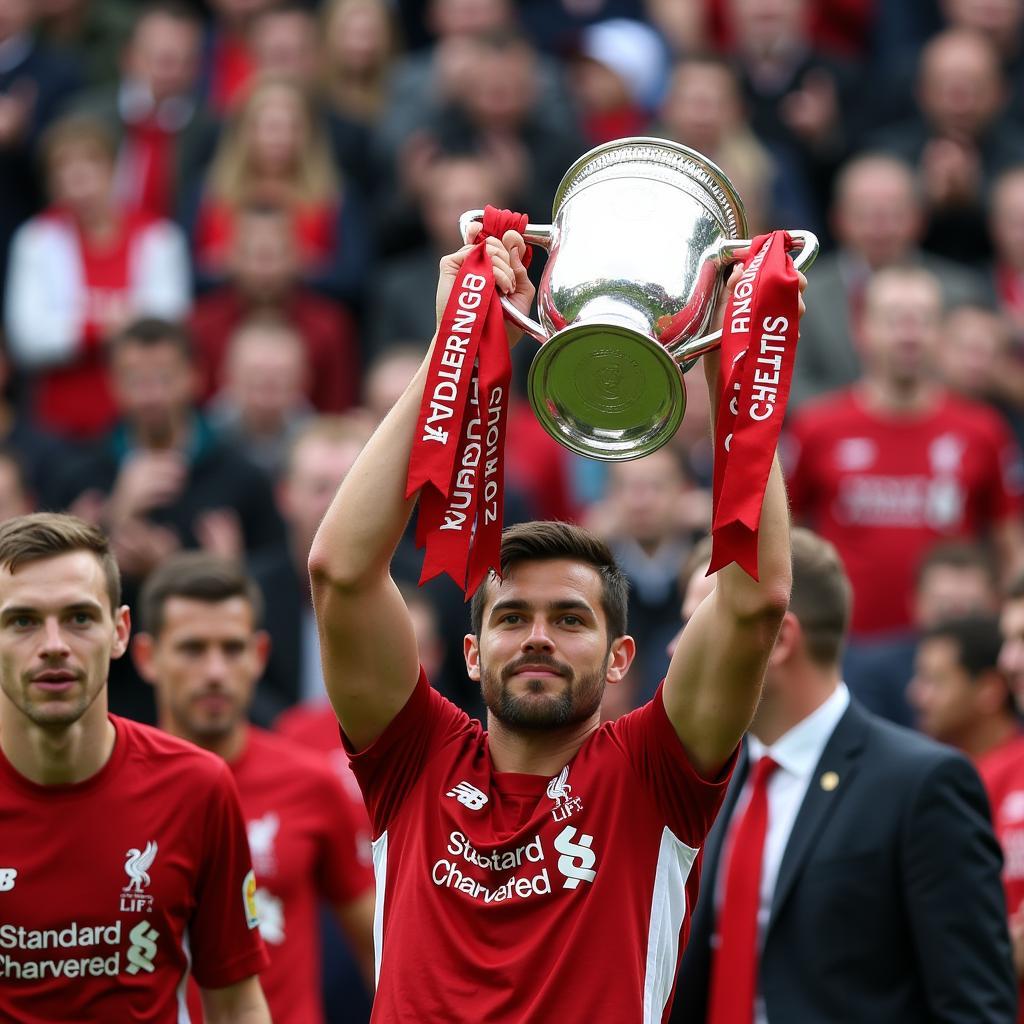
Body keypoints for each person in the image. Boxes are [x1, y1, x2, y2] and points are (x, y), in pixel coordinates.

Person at [307, 224, 798, 1020]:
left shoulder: (653, 773)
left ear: (619, 657)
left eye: (571, 619)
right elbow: (340, 572)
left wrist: (721, 343)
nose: (537, 634)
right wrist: (455, 346)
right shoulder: (415, 760)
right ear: (469, 653)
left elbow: (754, 601)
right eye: (513, 618)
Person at [671, 528, 1016, 1023]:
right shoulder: (707, 785)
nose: (675, 651)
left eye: (698, 627)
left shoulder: (920, 785)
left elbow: (973, 1005)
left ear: (780, 638)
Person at [0, 512, 270, 1023]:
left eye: (80, 617)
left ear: (120, 632)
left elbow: (235, 1004)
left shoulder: (197, 786)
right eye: (23, 621)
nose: (54, 644)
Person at [131, 551, 375, 1024]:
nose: (216, 671)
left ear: (260, 655)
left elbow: (378, 950)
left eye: (232, 648)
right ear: (146, 656)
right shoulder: (116, 787)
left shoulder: (310, 783)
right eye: (192, 649)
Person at [786, 264, 1024, 640]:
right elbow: (785, 543)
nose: (909, 334)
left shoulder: (984, 431)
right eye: (895, 320)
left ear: (941, 333)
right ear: (861, 329)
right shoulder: (816, 427)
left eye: (922, 320)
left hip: (952, 655)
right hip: (843, 647)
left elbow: (1010, 550)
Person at [4, 114, 191, 439]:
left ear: (112, 170)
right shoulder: (35, 240)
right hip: (60, 423)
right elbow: (30, 338)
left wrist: (73, 328)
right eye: (65, 172)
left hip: (140, 421)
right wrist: (103, 329)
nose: (80, 182)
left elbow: (169, 324)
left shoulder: (158, 237)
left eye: (90, 167)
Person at [910, 613, 1024, 1020]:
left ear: (989, 691)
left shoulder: (1013, 774)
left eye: (936, 681)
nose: (916, 694)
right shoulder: (921, 782)